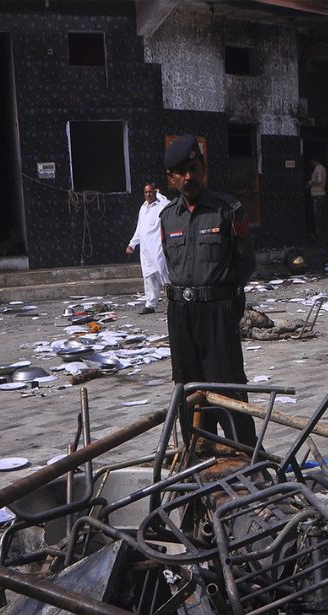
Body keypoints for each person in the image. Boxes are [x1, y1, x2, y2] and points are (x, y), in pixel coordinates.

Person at [159, 134, 257, 445]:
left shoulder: (227, 210)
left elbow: (245, 263)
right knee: (189, 390)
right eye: (181, 172)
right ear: (171, 178)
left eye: (194, 169)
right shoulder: (166, 217)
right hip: (181, 316)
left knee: (227, 388)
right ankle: (199, 455)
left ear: (204, 169)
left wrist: (227, 301)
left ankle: (245, 455)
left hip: (217, 313)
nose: (189, 177)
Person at [126, 182, 171, 314]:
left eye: (151, 192)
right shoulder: (143, 208)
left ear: (155, 192)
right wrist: (132, 244)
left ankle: (172, 303)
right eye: (146, 192)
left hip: (157, 247)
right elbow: (140, 228)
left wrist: (160, 195)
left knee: (163, 274)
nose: (148, 195)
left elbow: (169, 204)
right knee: (148, 277)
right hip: (145, 249)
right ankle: (150, 304)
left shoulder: (161, 205)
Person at [306, 158, 327, 239]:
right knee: (319, 215)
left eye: (312, 162)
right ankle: (320, 235)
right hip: (319, 194)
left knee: (317, 216)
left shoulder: (318, 168)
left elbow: (319, 180)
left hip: (318, 195)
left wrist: (309, 183)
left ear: (315, 161)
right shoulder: (322, 168)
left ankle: (319, 236)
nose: (311, 164)